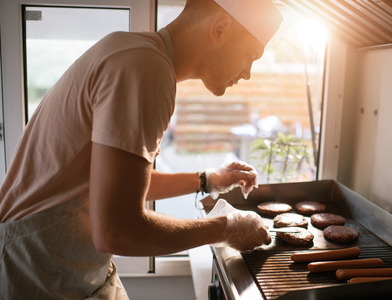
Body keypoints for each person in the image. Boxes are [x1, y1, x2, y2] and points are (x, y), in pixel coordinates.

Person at [0, 0, 282, 298]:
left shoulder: (135, 54)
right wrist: (226, 228)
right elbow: (116, 231)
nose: (248, 72)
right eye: (250, 55)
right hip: (38, 271)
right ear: (221, 28)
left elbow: (119, 184)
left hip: (59, 266)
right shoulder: (145, 68)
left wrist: (207, 180)